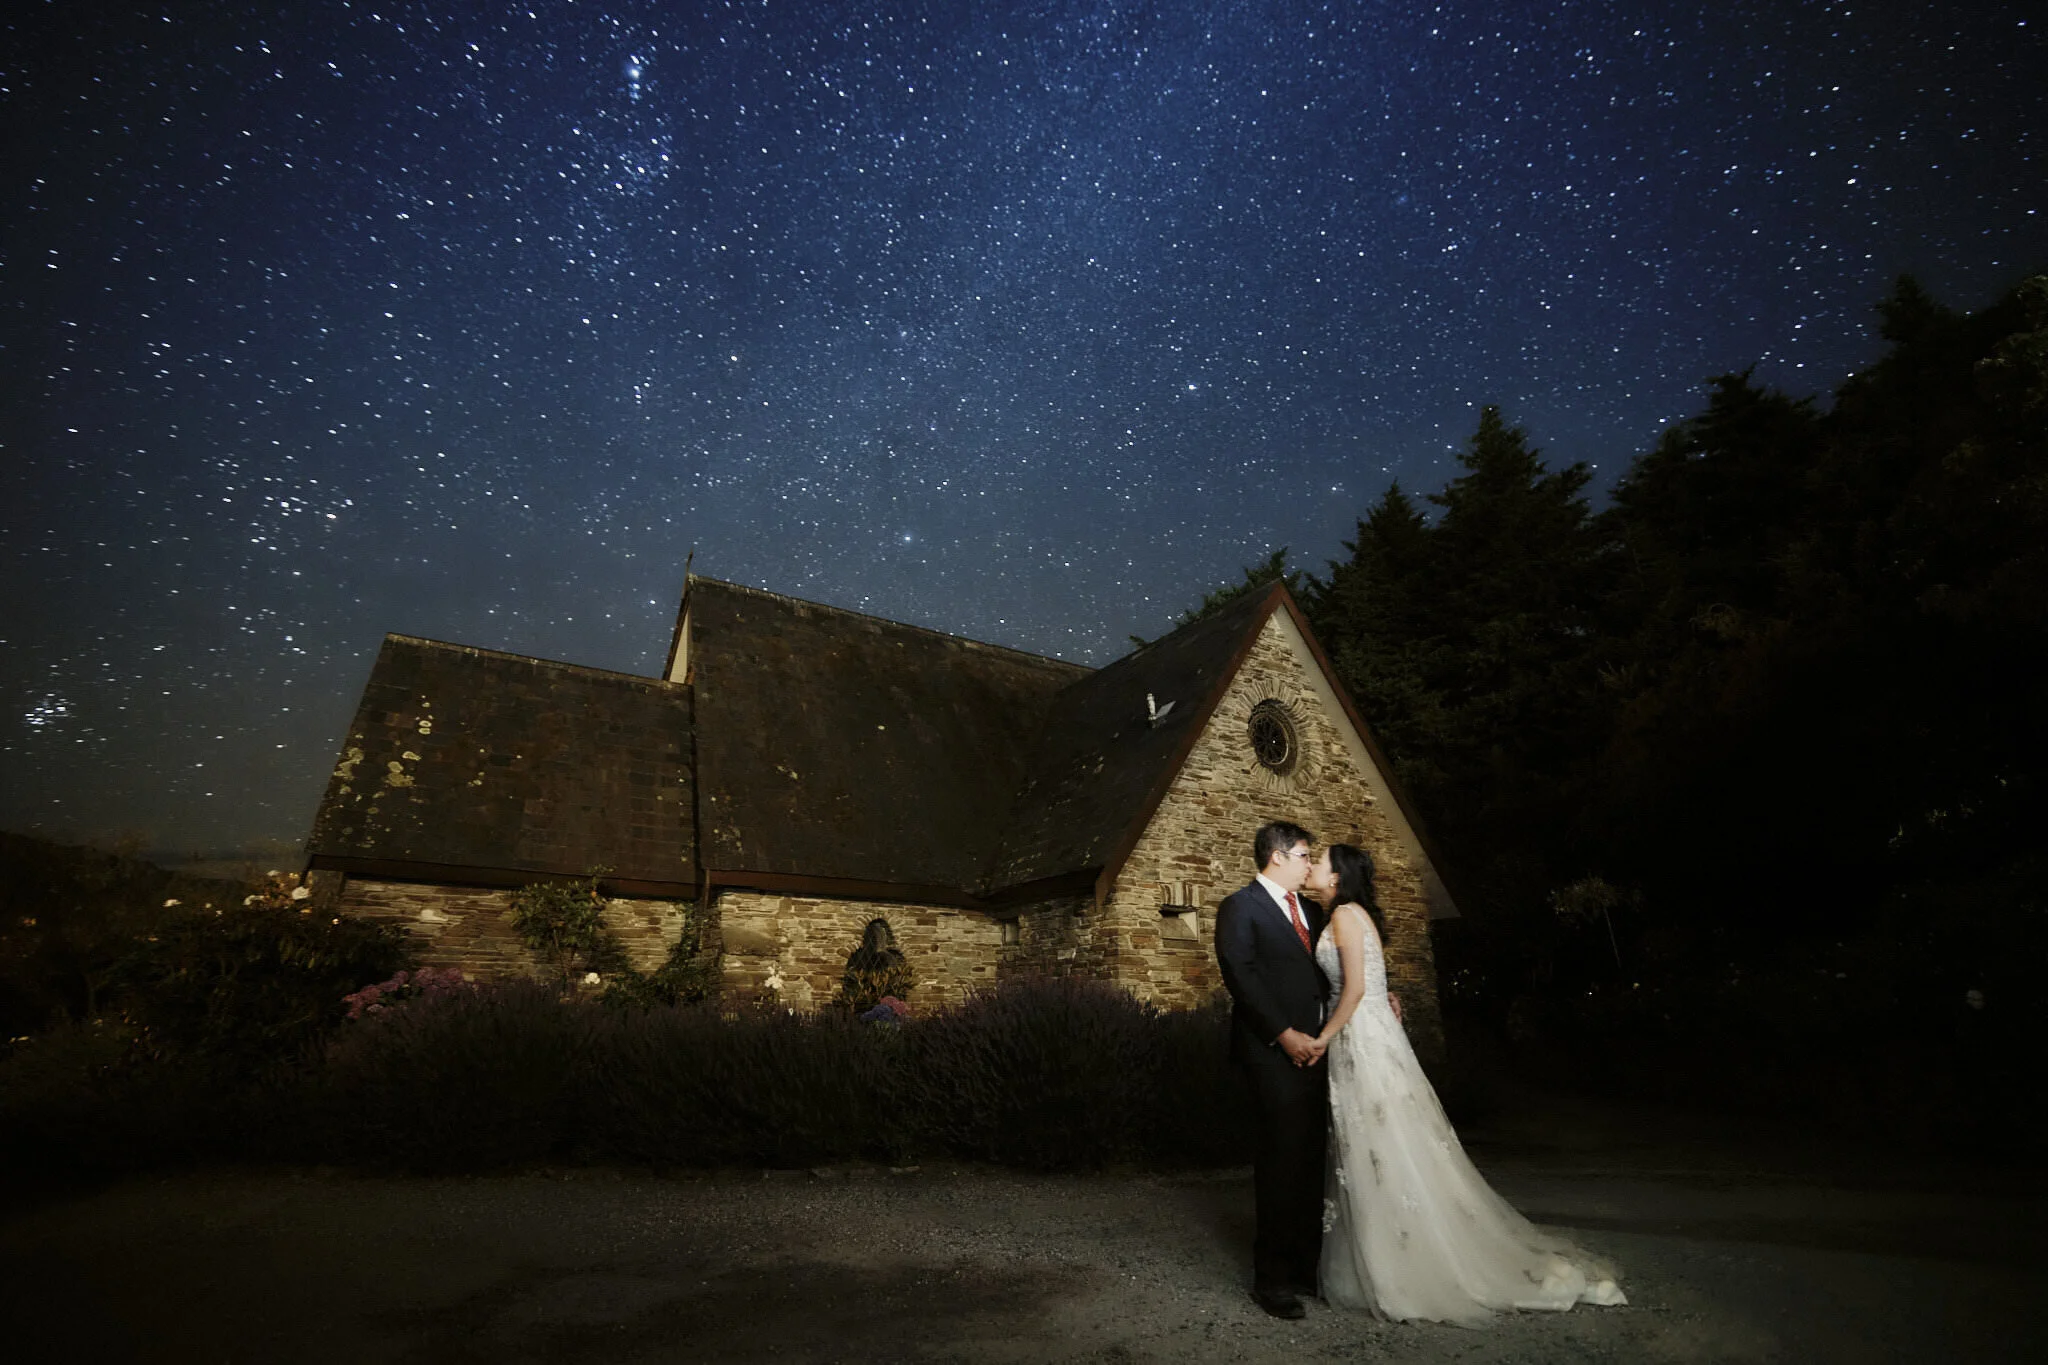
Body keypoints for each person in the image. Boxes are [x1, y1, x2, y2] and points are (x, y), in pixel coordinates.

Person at [1305, 842, 1627, 1324]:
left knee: (1379, 1143)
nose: (1311, 866)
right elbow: (1367, 982)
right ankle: (1386, 1253)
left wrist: (1323, 1038)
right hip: (1367, 1034)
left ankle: (1409, 1264)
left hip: (1360, 1039)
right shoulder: (1350, 915)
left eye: (1319, 861)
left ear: (1337, 877)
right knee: (1375, 1145)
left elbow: (1352, 989)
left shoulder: (1347, 916)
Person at [1213, 820, 1329, 1319]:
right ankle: (1272, 1279)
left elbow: (1331, 970)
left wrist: (1375, 995)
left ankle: (1306, 1266)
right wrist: (1283, 1034)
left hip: (1319, 1050)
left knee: (1311, 1158)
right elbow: (1240, 974)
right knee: (1280, 1158)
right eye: (1305, 855)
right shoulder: (1241, 906)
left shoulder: (1312, 911)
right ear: (1276, 856)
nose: (1310, 864)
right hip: (1270, 1051)